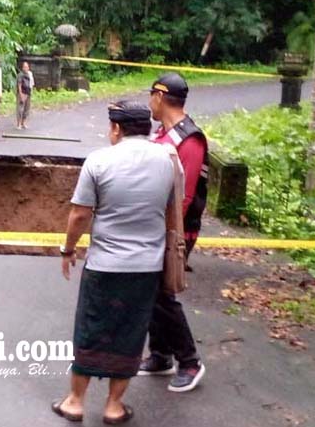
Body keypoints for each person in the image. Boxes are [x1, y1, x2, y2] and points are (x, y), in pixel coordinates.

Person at [53, 100, 176, 424]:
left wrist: (68, 250)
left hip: (104, 266)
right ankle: (113, 406)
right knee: (130, 333)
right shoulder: (167, 161)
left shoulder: (99, 161)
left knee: (91, 329)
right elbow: (168, 210)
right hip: (146, 268)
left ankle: (76, 401)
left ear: (117, 128)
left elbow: (80, 213)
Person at [139, 72, 207, 392]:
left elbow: (185, 195)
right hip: (156, 224)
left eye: (151, 95)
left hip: (176, 230)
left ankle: (190, 361)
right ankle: (161, 354)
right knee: (154, 290)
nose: (149, 101)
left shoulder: (189, 139)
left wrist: (165, 232)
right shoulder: (162, 134)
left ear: (161, 96)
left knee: (160, 294)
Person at [15, 62, 33, 130]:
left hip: (28, 92)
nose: (26, 68)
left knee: (26, 109)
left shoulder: (29, 74)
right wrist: (21, 94)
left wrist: (31, 92)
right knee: (20, 109)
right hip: (22, 93)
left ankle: (23, 122)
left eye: (27, 67)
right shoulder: (20, 75)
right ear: (22, 68)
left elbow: (31, 84)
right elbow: (19, 85)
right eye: (24, 67)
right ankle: (18, 123)